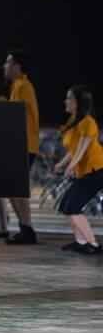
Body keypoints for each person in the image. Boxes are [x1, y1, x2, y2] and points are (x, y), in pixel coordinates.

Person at [55, 86, 103, 254]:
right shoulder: (73, 121)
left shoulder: (88, 122)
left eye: (69, 98)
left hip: (96, 171)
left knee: (72, 206)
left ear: (77, 102)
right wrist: (62, 163)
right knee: (67, 205)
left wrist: (71, 166)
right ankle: (81, 242)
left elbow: (83, 149)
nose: (65, 101)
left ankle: (93, 244)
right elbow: (73, 149)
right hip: (85, 172)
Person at [1, 50, 40, 244]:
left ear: (17, 66)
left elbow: (19, 118)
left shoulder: (24, 86)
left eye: (8, 62)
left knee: (17, 188)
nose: (5, 66)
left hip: (24, 144)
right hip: (19, 143)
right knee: (12, 187)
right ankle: (24, 227)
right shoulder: (17, 85)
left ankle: (27, 229)